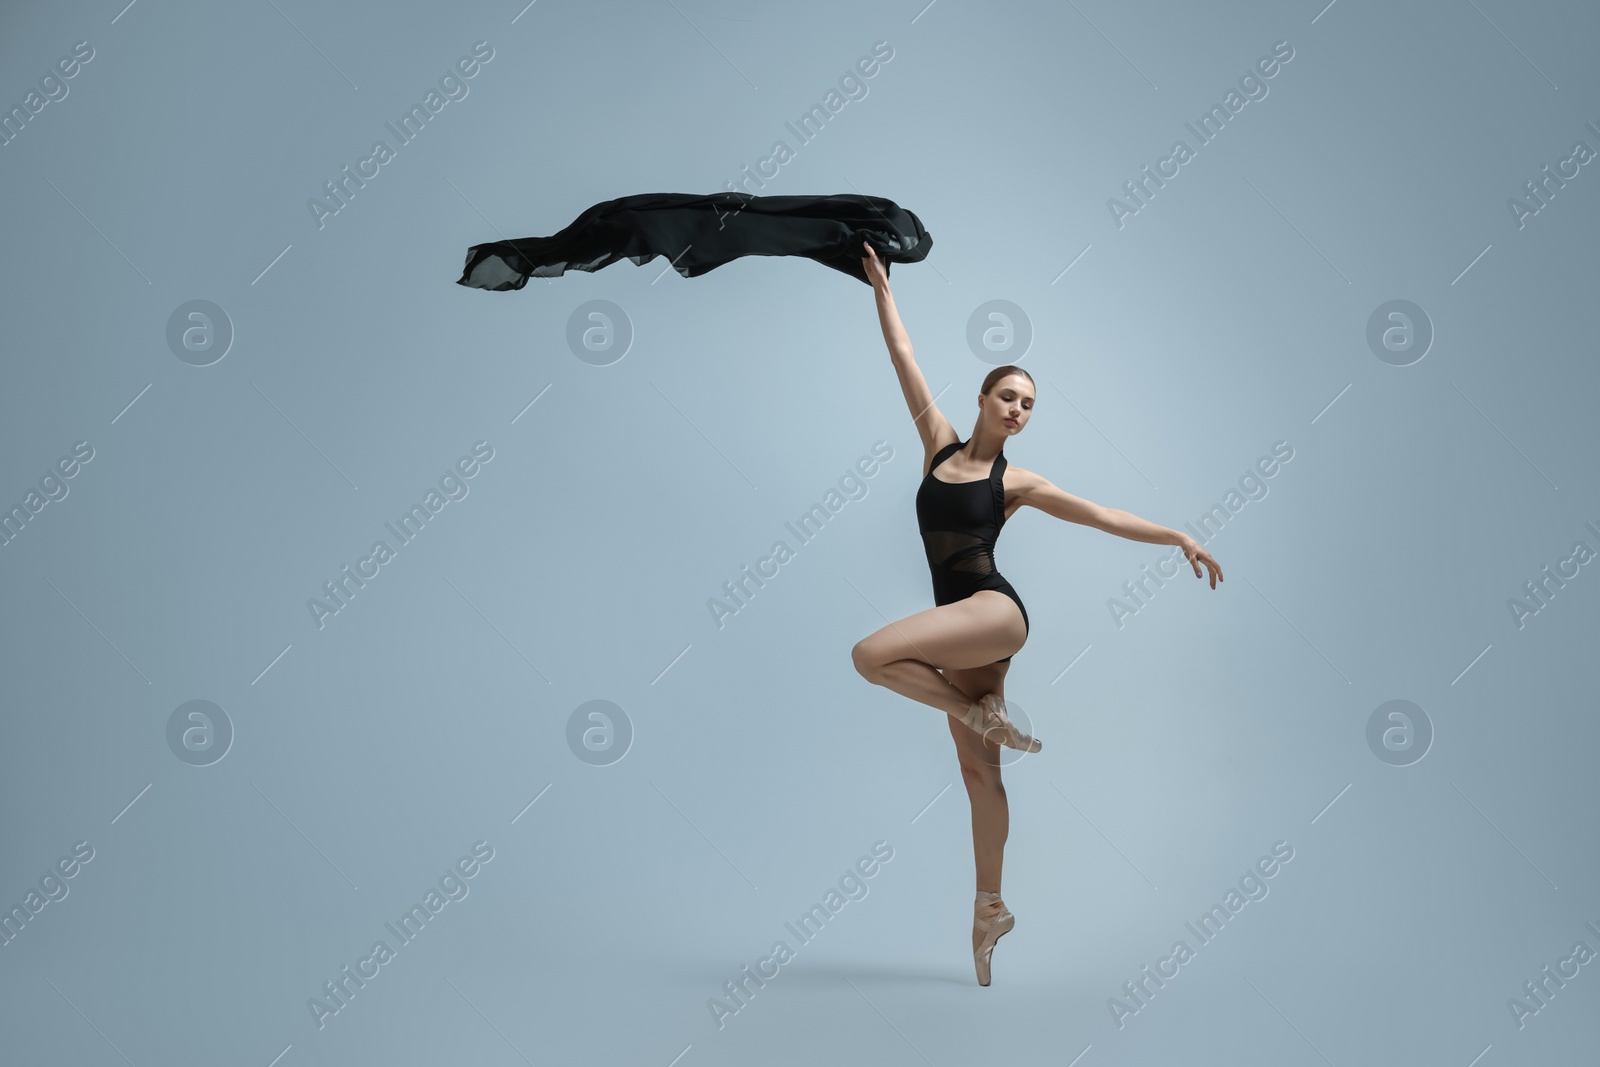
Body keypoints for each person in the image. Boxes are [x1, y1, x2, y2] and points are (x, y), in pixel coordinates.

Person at [849, 241, 1223, 986]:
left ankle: (983, 713)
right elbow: (902, 354)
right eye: (1008, 396)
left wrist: (1177, 533)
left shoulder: (1015, 480)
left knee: (870, 656)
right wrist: (881, 287)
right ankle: (990, 908)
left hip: (994, 612)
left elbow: (1101, 514)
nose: (1018, 410)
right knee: (980, 779)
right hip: (964, 640)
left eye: (1028, 404)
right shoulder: (936, 444)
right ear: (982, 397)